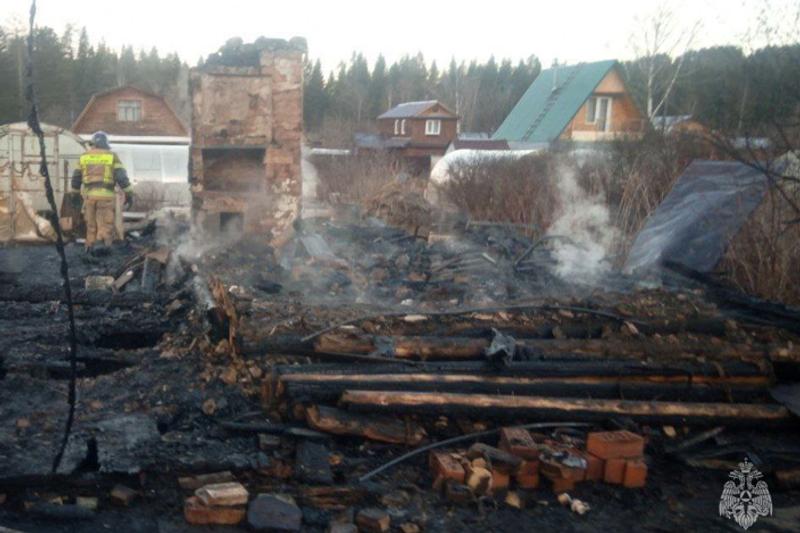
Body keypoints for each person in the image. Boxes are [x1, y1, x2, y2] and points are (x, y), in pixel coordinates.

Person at [71, 131, 133, 252]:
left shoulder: (84, 157)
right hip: (106, 198)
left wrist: (75, 194)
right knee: (104, 226)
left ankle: (89, 250)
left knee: (91, 226)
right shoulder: (112, 156)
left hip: (89, 198)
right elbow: (121, 177)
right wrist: (129, 193)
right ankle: (102, 251)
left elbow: (76, 178)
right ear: (105, 144)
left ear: (93, 144)